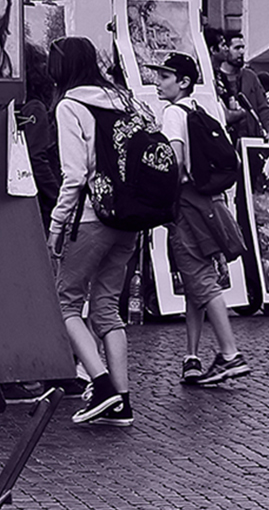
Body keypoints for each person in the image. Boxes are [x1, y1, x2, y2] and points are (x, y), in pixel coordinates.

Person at [46, 36, 144, 427]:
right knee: (106, 306)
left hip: (90, 218)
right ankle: (121, 400)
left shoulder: (70, 106)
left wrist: (56, 226)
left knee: (65, 303)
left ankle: (101, 384)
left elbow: (74, 176)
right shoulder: (123, 100)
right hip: (129, 220)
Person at [153, 53, 251, 388]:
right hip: (207, 203)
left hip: (185, 206)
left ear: (182, 81)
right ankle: (191, 357)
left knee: (200, 280)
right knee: (198, 282)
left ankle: (229, 354)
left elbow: (174, 163)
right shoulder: (199, 110)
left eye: (165, 76)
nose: (158, 82)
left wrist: (160, 205)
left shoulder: (171, 114)